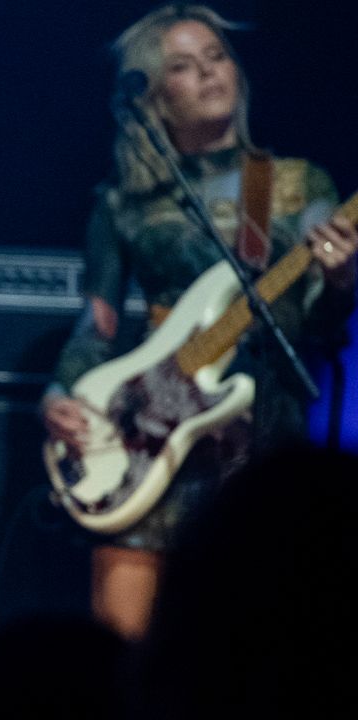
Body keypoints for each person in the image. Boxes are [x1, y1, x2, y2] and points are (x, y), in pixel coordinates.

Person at [42, 4, 356, 640]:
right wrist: (59, 393)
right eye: (183, 66)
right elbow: (98, 320)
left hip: (263, 431)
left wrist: (344, 278)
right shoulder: (123, 203)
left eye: (217, 57)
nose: (209, 74)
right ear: (155, 93)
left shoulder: (294, 183)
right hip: (150, 426)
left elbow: (327, 323)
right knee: (123, 655)